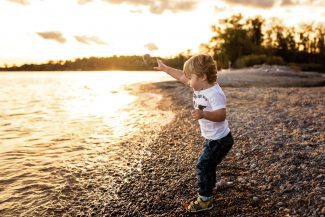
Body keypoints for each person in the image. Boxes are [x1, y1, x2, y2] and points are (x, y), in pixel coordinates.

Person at [154, 54, 234, 213]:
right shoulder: (200, 85)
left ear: (203, 77)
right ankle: (209, 188)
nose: (188, 81)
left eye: (191, 78)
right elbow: (181, 76)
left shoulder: (214, 93)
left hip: (220, 139)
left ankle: (205, 199)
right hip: (213, 138)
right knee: (209, 164)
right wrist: (165, 68)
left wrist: (204, 114)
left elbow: (221, 115)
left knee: (203, 165)